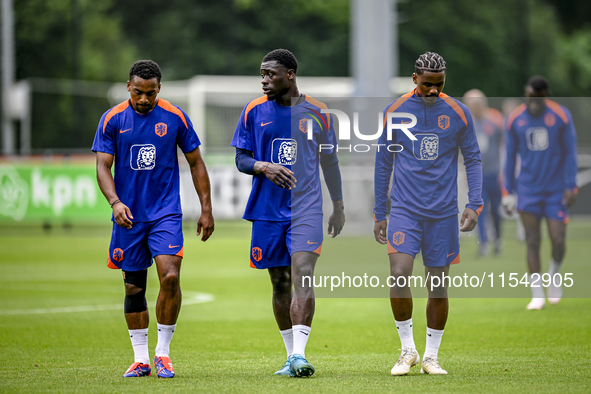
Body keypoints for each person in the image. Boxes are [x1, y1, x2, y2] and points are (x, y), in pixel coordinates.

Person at [92, 60, 215, 378]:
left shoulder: (175, 117)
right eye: (138, 93)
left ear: (159, 89)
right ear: (128, 88)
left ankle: (163, 354)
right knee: (134, 288)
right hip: (128, 216)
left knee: (170, 277)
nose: (144, 99)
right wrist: (115, 202)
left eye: (150, 93)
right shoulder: (112, 119)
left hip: (165, 213)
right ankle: (140, 358)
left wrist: (206, 208)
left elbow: (196, 162)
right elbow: (103, 167)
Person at [231, 49, 345, 378]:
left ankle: (299, 353)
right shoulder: (254, 110)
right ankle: (290, 356)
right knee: (279, 282)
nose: (264, 80)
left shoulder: (320, 113)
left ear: (290, 75)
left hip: (306, 207)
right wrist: (263, 166)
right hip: (267, 210)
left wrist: (338, 205)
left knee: (302, 272)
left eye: (271, 74)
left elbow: (330, 163)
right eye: (262, 75)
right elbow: (241, 158)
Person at [374, 52, 483, 376]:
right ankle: (407, 349)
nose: (433, 90)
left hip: (443, 212)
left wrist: (474, 203)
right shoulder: (395, 111)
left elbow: (473, 159)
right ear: (414, 79)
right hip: (405, 210)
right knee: (399, 273)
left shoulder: (458, 113)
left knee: (437, 285)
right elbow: (384, 162)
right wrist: (381, 210)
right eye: (427, 84)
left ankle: (431, 356)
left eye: (439, 85)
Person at [502, 76, 578, 310]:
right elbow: (510, 156)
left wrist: (571, 185)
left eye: (537, 98)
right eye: (529, 97)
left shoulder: (561, 116)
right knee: (532, 240)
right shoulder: (515, 118)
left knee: (558, 239)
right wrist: (508, 191)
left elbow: (570, 152)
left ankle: (554, 274)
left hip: (555, 190)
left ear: (545, 95)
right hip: (528, 189)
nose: (532, 103)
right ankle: (537, 294)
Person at [463, 89, 504, 256]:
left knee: (496, 210)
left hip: (495, 173)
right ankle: (484, 244)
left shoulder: (495, 121)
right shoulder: (467, 124)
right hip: (477, 176)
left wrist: (503, 170)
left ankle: (498, 240)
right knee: (479, 210)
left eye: (477, 103)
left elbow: (504, 146)